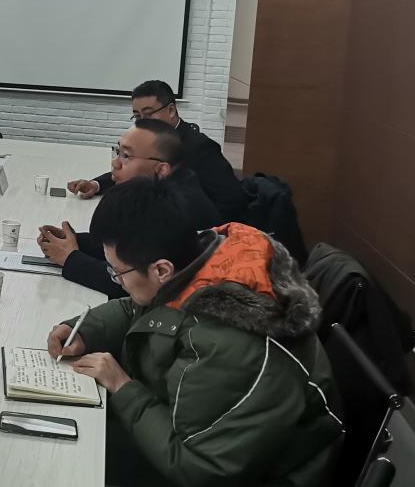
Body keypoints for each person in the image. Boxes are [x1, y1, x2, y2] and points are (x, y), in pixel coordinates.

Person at [46, 178, 342, 487]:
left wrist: (122, 386)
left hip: (244, 474)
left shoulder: (229, 343)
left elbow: (200, 468)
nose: (116, 280)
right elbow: (140, 309)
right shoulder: (201, 260)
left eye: (117, 272)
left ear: (161, 270)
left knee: (67, 459)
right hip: (194, 432)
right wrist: (85, 330)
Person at [38, 120, 221, 298]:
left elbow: (132, 285)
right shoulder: (162, 189)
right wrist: (73, 241)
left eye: (126, 156)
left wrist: (71, 258)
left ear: (161, 170)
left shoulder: (179, 206)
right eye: (118, 152)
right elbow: (128, 249)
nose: (115, 163)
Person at [67, 79, 248, 222]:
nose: (143, 121)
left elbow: (232, 200)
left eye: (148, 114)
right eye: (137, 116)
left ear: (171, 110)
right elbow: (138, 169)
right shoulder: (150, 139)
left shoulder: (200, 147)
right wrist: (96, 185)